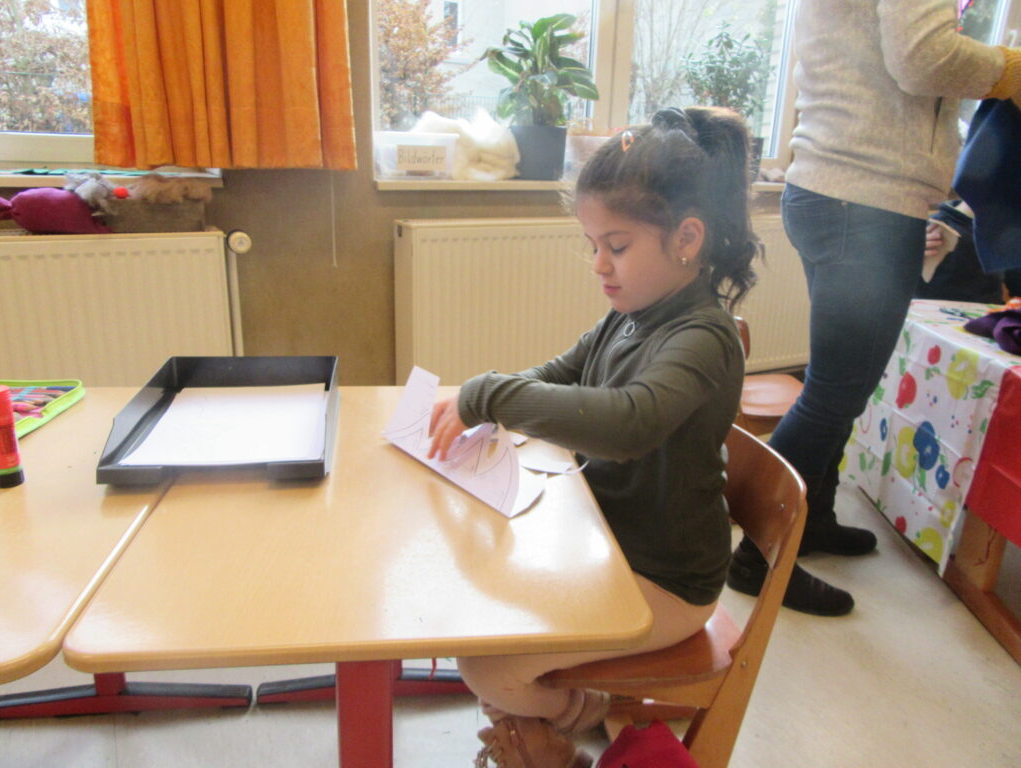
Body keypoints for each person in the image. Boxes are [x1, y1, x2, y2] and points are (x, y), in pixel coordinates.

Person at [427, 106, 759, 768]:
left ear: (687, 238)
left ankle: (570, 729)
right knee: (477, 606)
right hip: (608, 545)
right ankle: (547, 721)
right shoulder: (631, 314)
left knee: (488, 667)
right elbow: (558, 375)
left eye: (618, 246)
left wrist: (488, 395)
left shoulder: (703, 336)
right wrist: (485, 402)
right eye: (593, 245)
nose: (600, 265)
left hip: (666, 579)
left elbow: (629, 422)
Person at [725, 0, 1021, 617]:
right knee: (834, 392)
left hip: (841, 190)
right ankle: (756, 557)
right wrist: (1010, 67)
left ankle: (811, 517)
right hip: (866, 198)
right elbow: (925, 56)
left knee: (840, 385)